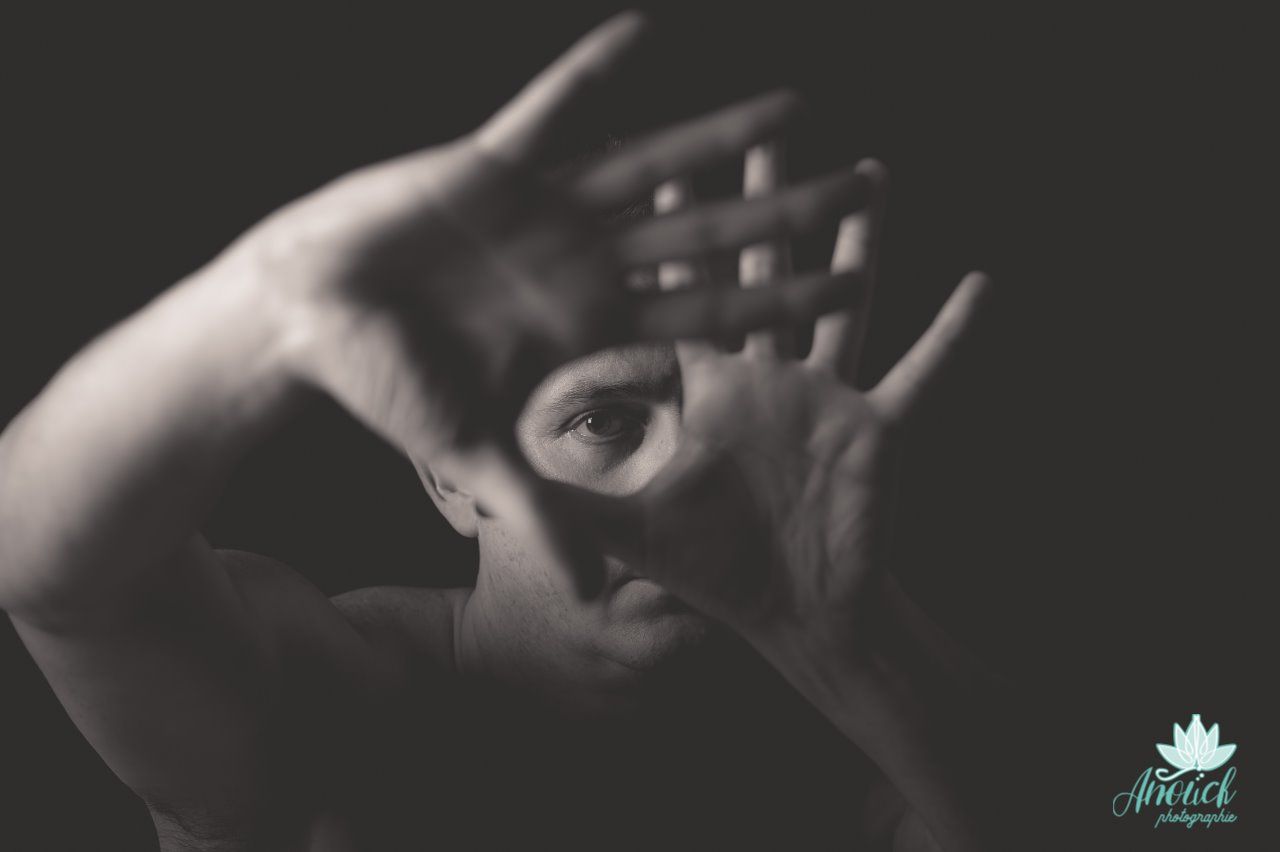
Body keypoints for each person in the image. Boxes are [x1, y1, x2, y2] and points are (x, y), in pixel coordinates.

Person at [0, 13, 1005, 851]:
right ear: (448, 478)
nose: (682, 476)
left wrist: (856, 646)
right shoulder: (335, 706)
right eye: (603, 422)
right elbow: (44, 566)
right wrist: (275, 302)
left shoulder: (860, 735)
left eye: (721, 424)